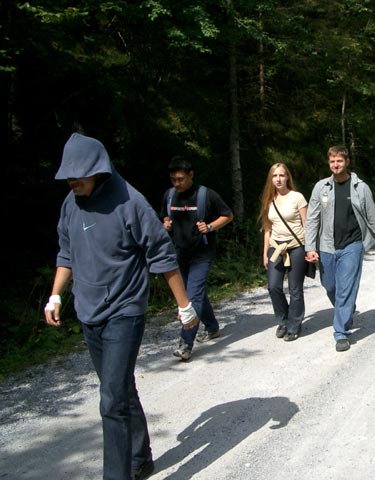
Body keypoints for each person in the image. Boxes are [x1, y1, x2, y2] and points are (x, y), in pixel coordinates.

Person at [43, 132, 200, 480]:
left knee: (110, 400)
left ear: (97, 170)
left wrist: (185, 306)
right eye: (67, 175)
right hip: (88, 310)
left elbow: (162, 254)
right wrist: (56, 295)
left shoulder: (131, 202)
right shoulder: (71, 202)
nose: (71, 181)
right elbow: (65, 252)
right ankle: (140, 457)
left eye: (78, 174)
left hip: (124, 311)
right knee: (121, 388)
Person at [305, 145, 375, 352]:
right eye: (332, 161)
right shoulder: (321, 187)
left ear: (347, 162)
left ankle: (341, 332)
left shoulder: (361, 188)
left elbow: (372, 217)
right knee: (330, 285)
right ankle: (347, 309)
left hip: (353, 245)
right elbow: (312, 219)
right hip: (326, 246)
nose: (335, 164)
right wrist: (309, 247)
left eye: (339, 161)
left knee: (345, 288)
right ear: (329, 163)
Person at [160, 157, 233, 361]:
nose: (177, 183)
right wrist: (165, 223)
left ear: (191, 175)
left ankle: (186, 343)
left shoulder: (205, 195)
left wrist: (210, 227)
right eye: (173, 179)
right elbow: (164, 217)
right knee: (197, 295)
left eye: (181, 179)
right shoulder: (169, 195)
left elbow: (228, 215)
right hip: (179, 254)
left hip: (202, 254)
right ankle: (212, 327)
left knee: (191, 298)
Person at [258, 163, 308, 341]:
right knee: (273, 286)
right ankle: (283, 320)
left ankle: (294, 325)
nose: (278, 179)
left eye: (281, 175)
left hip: (296, 247)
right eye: (274, 176)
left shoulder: (297, 197)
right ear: (270, 179)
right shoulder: (269, 200)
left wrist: (309, 249)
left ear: (288, 177)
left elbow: (306, 224)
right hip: (275, 248)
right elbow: (267, 229)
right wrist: (265, 253)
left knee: (295, 289)